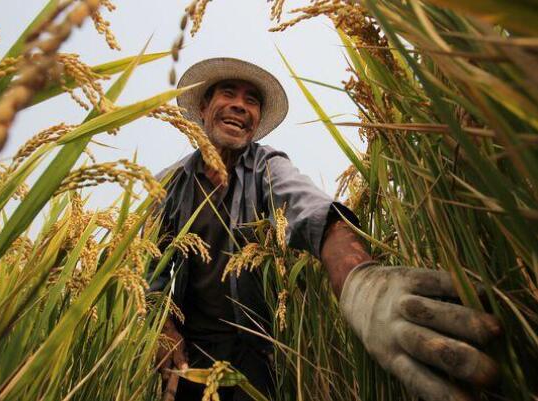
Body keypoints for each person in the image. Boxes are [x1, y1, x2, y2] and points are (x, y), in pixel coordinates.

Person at [151, 58, 500, 401]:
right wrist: (162, 330)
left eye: (251, 100)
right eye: (229, 93)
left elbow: (315, 212)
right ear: (203, 106)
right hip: (186, 351)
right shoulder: (168, 183)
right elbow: (146, 268)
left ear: (255, 124)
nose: (240, 106)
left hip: (254, 350)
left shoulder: (265, 166)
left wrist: (361, 283)